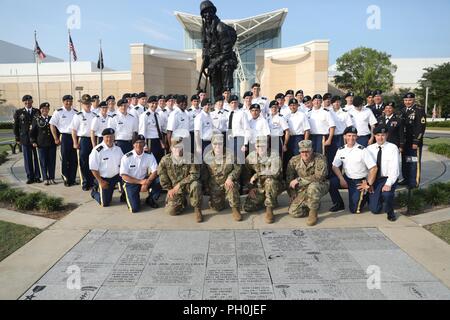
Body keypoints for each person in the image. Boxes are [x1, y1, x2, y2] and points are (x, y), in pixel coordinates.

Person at [328, 126, 377, 213]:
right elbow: (334, 166)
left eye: (354, 136)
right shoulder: (341, 150)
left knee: (354, 210)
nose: (351, 138)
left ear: (357, 137)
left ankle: (365, 195)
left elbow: (374, 168)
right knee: (331, 183)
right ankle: (339, 204)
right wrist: (341, 179)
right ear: (344, 136)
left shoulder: (362, 150)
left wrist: (368, 184)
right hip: (347, 178)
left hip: (359, 180)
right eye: (349, 135)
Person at [158, 137, 203, 222]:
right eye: (175, 147)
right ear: (171, 148)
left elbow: (195, 174)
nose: (178, 150)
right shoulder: (165, 160)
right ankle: (182, 201)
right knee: (171, 211)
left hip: (187, 186)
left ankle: (197, 209)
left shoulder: (191, 157)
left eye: (180, 147)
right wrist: (169, 189)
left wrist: (180, 184)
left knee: (196, 184)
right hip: (174, 189)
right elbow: (162, 176)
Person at [286, 140, 329, 226]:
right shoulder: (294, 160)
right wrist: (292, 194)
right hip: (303, 188)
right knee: (293, 212)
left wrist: (299, 180)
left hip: (320, 185)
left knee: (313, 187)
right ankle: (312, 202)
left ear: (312, 150)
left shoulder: (320, 158)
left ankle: (313, 212)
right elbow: (289, 179)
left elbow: (319, 177)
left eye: (307, 151)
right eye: (302, 152)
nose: (305, 154)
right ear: (299, 151)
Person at [363, 125, 400, 221]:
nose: (380, 137)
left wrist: (388, 184)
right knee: (375, 210)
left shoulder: (392, 148)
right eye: (378, 135)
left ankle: (390, 212)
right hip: (375, 179)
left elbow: (394, 169)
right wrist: (369, 183)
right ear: (374, 136)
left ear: (387, 135)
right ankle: (375, 197)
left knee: (387, 194)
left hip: (388, 178)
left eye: (383, 135)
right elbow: (367, 168)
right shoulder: (369, 149)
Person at [242, 136, 282, 224]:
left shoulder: (274, 155)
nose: (261, 148)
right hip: (259, 186)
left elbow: (275, 173)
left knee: (270, 181)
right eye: (259, 146)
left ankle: (269, 209)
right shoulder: (251, 157)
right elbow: (245, 174)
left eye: (263, 146)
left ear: (267, 145)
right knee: (247, 207)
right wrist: (250, 188)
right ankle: (267, 200)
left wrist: (257, 175)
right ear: (255, 146)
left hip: (274, 184)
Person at [202, 133, 242, 221]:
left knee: (232, 186)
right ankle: (218, 199)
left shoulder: (230, 154)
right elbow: (205, 174)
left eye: (220, 143)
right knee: (217, 208)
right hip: (215, 186)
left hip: (228, 183)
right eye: (215, 144)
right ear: (211, 144)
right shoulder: (207, 157)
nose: (217, 146)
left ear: (223, 144)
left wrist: (230, 177)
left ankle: (235, 209)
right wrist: (207, 188)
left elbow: (237, 168)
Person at [120, 135, 162, 213]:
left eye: (141, 142)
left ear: (144, 144)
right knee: (134, 209)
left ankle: (150, 199)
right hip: (131, 182)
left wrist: (147, 182)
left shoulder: (149, 155)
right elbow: (124, 176)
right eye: (136, 143)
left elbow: (155, 171)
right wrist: (140, 182)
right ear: (133, 144)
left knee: (160, 180)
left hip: (145, 180)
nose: (139, 145)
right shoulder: (126, 157)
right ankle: (127, 194)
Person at [89, 128, 124, 207]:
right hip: (104, 179)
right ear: (103, 137)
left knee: (129, 182)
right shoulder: (97, 151)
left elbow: (123, 163)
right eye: (107, 137)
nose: (109, 139)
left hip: (117, 176)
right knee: (105, 203)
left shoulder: (118, 149)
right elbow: (93, 168)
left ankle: (124, 196)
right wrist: (100, 181)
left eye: (111, 137)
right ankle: (94, 192)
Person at [399, 92, 426, 188]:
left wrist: (416, 141)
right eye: (405, 100)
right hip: (405, 142)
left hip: (414, 142)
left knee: (413, 162)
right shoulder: (403, 110)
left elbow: (421, 127)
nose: (407, 102)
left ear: (414, 100)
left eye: (410, 100)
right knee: (406, 161)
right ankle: (406, 179)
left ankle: (414, 182)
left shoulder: (419, 110)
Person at [50, 95, 78, 187]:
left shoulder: (75, 112)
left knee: (74, 159)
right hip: (64, 136)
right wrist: (56, 138)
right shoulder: (58, 112)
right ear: (63, 101)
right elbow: (52, 125)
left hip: (74, 137)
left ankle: (72, 179)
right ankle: (66, 179)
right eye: (67, 101)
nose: (69, 103)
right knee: (65, 159)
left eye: (70, 101)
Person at [14, 94, 41, 184]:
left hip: (36, 139)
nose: (27, 102)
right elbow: (16, 126)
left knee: (37, 158)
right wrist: (17, 138)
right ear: (23, 102)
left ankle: (37, 176)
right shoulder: (19, 112)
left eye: (29, 100)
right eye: (26, 101)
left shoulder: (37, 111)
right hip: (25, 139)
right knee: (27, 158)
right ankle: (30, 177)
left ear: (32, 101)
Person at [71, 94, 96, 191]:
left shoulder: (94, 115)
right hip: (84, 140)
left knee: (93, 162)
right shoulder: (78, 115)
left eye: (89, 103)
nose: (88, 105)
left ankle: (92, 181)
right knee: (83, 162)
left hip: (93, 140)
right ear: (82, 104)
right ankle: (85, 182)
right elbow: (74, 130)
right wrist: (75, 142)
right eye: (86, 103)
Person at [30, 102, 56, 185]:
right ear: (40, 110)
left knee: (52, 162)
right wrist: (33, 141)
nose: (45, 110)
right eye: (43, 109)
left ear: (48, 110)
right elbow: (32, 132)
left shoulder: (52, 118)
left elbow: (57, 130)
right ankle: (45, 178)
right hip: (41, 144)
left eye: (47, 109)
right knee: (43, 162)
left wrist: (57, 139)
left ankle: (52, 177)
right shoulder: (36, 119)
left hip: (51, 143)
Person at [328, 95, 353, 173]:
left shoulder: (345, 113)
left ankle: (342, 174)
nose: (337, 103)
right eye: (335, 102)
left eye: (338, 102)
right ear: (332, 103)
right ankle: (332, 174)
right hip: (330, 137)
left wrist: (347, 137)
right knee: (331, 156)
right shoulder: (328, 112)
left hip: (341, 137)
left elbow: (350, 126)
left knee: (342, 156)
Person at [139, 95, 166, 163]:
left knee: (159, 160)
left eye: (156, 103)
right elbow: (142, 131)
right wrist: (144, 145)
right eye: (152, 103)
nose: (154, 105)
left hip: (158, 141)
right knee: (151, 161)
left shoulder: (157, 115)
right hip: (150, 141)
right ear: (148, 103)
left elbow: (159, 130)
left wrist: (161, 142)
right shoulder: (144, 115)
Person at [284, 98, 311, 167]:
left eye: (294, 105)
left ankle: (299, 175)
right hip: (289, 138)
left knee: (298, 157)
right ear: (289, 106)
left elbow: (307, 130)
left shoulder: (302, 115)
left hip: (299, 138)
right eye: (291, 105)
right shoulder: (287, 116)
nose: (293, 107)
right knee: (289, 157)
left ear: (297, 106)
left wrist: (305, 143)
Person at [227, 94, 249, 164]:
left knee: (239, 160)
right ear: (229, 104)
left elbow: (247, 129)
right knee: (232, 159)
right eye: (232, 103)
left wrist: (245, 144)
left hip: (240, 139)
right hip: (231, 139)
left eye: (235, 102)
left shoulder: (242, 113)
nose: (234, 104)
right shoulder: (228, 114)